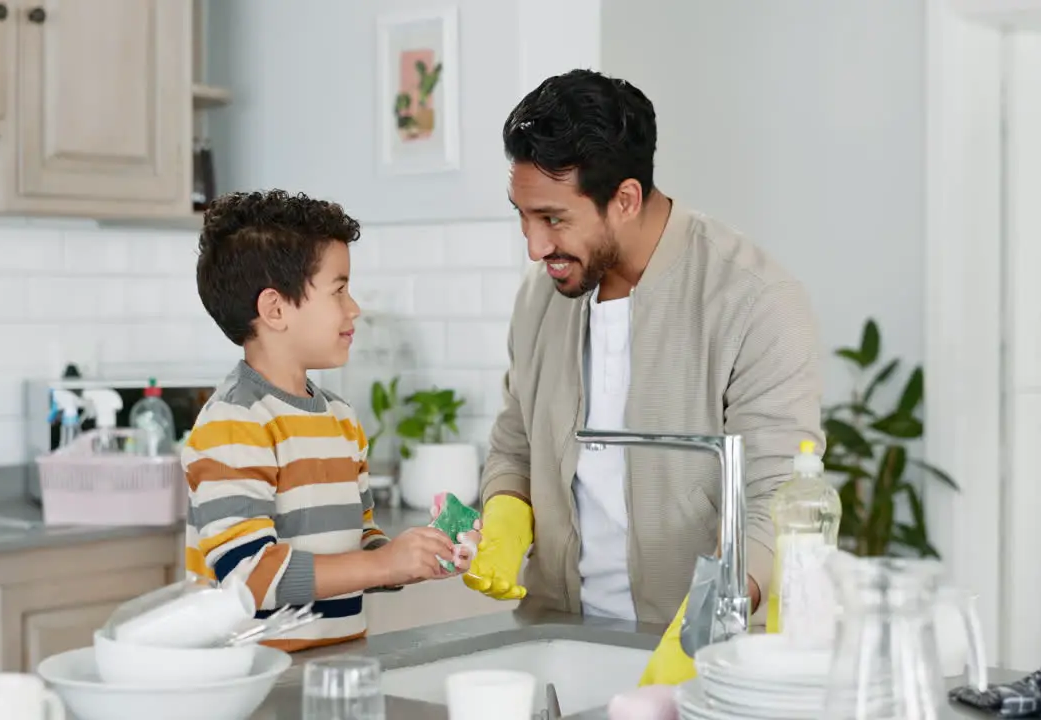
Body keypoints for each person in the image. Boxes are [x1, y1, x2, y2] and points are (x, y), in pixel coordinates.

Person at [462, 70, 824, 685]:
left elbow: (775, 499)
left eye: (553, 218)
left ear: (625, 199)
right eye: (522, 217)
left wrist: (701, 627)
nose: (533, 245)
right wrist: (504, 509)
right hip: (559, 642)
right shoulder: (541, 299)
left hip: (703, 659)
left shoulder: (755, 300)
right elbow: (515, 442)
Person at [183, 190, 480, 652]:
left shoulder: (340, 419)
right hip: (252, 681)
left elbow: (356, 547)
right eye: (338, 290)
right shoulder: (233, 424)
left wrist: (416, 555)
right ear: (275, 310)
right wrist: (385, 567)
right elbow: (249, 576)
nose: (353, 307)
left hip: (337, 663)